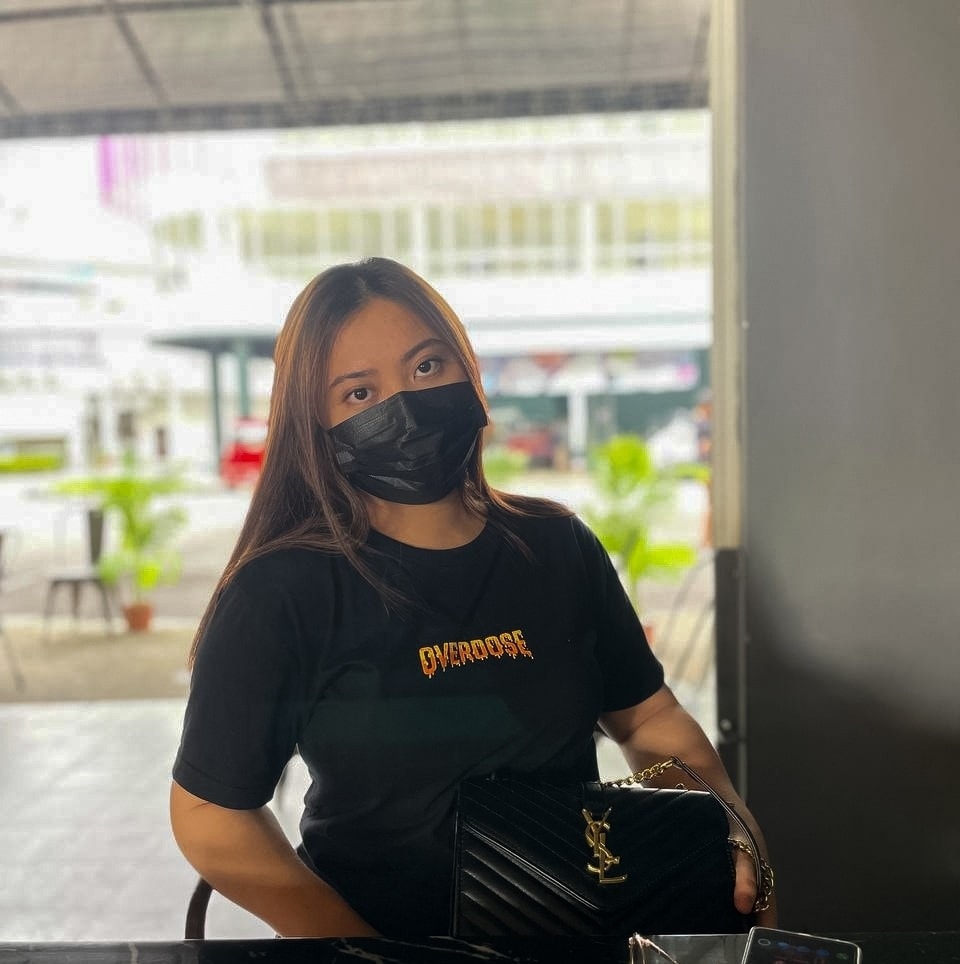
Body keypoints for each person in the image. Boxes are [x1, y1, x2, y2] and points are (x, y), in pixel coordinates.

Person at [169, 257, 776, 939]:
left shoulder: (556, 546)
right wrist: (362, 953)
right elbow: (210, 818)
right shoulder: (282, 590)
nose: (406, 406)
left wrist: (727, 821)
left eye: (427, 367)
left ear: (467, 368)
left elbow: (646, 718)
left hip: (577, 931)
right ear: (316, 424)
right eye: (360, 393)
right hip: (386, 941)